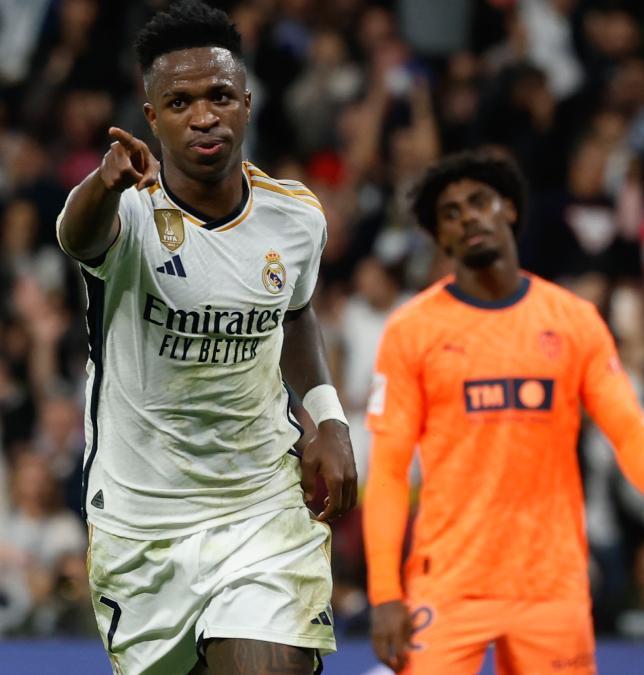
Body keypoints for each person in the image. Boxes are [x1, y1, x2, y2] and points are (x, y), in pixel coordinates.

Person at [54, 2, 356, 673]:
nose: (203, 116)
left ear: (246, 103)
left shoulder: (295, 217)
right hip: (143, 524)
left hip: (261, 503)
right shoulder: (128, 210)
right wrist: (103, 182)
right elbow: (77, 236)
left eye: (219, 96)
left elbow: (296, 312)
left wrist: (330, 418)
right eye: (179, 102)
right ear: (152, 116)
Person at [364, 151, 644, 674]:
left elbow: (628, 431)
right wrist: (385, 591)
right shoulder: (411, 331)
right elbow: (389, 470)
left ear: (509, 209)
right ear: (441, 239)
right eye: (451, 213)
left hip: (551, 582)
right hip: (449, 579)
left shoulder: (574, 320)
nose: (467, 217)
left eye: (479, 202)